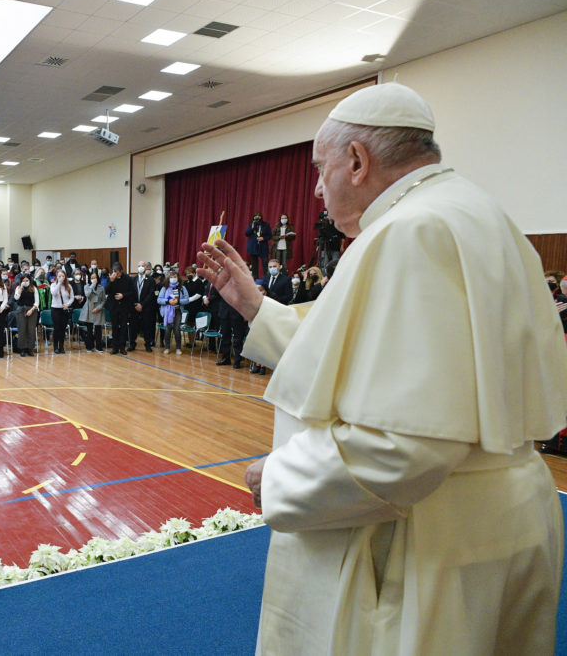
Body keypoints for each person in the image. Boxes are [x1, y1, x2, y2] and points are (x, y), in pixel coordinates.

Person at [197, 82, 567, 654]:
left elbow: (405, 446)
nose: (317, 190)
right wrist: (253, 304)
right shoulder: (472, 212)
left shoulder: (409, 232)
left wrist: (281, 480)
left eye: (321, 170)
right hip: (498, 521)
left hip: (433, 541)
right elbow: (355, 354)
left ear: (356, 160)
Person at [156, 271, 188, 355]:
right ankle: (167, 347)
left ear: (178, 278)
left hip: (178, 311)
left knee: (177, 330)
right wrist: (168, 301)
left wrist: (178, 301)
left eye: (174, 277)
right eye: (171, 277)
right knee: (168, 330)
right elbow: (159, 300)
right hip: (167, 312)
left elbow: (187, 299)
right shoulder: (164, 288)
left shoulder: (182, 288)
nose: (173, 279)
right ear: (168, 278)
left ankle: (178, 348)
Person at [104, 263, 133, 355]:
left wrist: (123, 295)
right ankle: (115, 347)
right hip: (113, 306)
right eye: (113, 272)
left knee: (123, 327)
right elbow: (106, 291)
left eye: (116, 272)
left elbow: (132, 292)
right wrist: (111, 281)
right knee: (114, 326)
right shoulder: (111, 278)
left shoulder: (128, 278)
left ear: (121, 271)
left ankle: (122, 347)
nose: (115, 274)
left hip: (124, 306)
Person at [129, 261, 156, 352]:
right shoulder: (133, 279)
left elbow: (151, 294)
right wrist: (136, 304)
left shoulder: (151, 280)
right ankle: (132, 343)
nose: (141, 267)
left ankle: (147, 344)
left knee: (146, 326)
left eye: (142, 266)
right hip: (134, 307)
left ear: (146, 267)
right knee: (133, 327)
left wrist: (142, 304)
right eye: (139, 265)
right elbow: (130, 293)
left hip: (146, 307)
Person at [79, 270, 106, 352]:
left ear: (98, 278)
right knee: (89, 329)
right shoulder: (86, 286)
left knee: (98, 329)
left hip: (98, 309)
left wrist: (98, 308)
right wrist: (92, 285)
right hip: (89, 309)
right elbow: (87, 294)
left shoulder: (101, 288)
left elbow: (104, 300)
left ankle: (99, 347)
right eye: (92, 278)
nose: (93, 279)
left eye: (95, 278)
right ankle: (89, 346)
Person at [13, 275, 38, 357]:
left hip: (32, 310)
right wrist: (20, 288)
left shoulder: (34, 288)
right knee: (22, 329)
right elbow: (16, 298)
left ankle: (30, 348)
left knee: (31, 330)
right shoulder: (18, 288)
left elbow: (37, 302)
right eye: (23, 280)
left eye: (27, 280)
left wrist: (31, 310)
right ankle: (22, 348)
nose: (25, 282)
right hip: (21, 310)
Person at [49, 271, 73, 354]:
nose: (61, 277)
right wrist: (59, 283)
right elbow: (53, 293)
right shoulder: (53, 285)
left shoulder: (68, 286)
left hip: (64, 309)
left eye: (63, 276)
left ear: (65, 277)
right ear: (56, 277)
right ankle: (55, 347)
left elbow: (72, 298)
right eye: (59, 276)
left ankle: (61, 346)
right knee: (57, 328)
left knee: (63, 329)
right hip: (55, 309)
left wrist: (68, 304)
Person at [245, 212, 272, 280]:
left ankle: (267, 279)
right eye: (255, 216)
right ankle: (255, 279)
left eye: (259, 216)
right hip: (253, 247)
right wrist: (252, 227)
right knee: (254, 265)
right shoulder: (251, 224)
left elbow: (270, 235)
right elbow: (247, 234)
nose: (257, 217)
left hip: (263, 247)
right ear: (253, 217)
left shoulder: (266, 225)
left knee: (265, 263)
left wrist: (263, 238)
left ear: (261, 217)